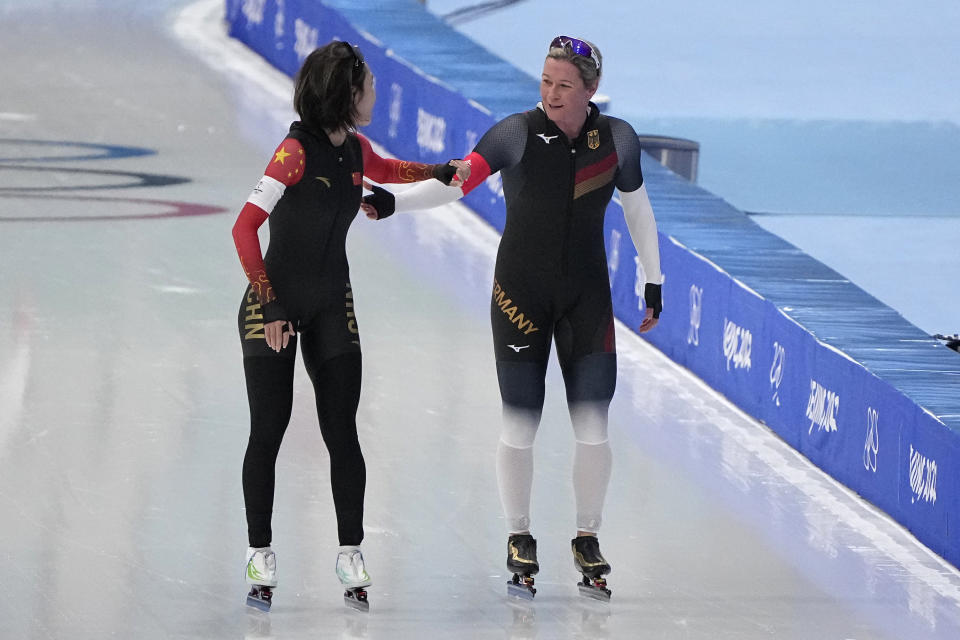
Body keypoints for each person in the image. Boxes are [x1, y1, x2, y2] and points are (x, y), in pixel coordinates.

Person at [361, 35, 663, 599]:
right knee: (521, 424)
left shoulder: (618, 140)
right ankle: (518, 536)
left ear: (591, 90)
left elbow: (638, 207)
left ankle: (586, 538)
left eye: (563, 85)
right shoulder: (515, 133)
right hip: (519, 298)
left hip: (587, 300)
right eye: (545, 81)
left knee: (593, 426)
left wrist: (653, 278)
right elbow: (457, 182)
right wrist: (394, 202)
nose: (550, 93)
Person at [231, 40, 468, 611]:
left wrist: (437, 171)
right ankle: (260, 550)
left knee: (342, 428)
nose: (377, 92)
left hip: (332, 300)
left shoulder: (355, 149)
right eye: (369, 85)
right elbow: (243, 229)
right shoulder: (292, 154)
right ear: (347, 94)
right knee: (272, 426)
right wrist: (271, 305)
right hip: (274, 306)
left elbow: (386, 170)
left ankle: (350, 549)